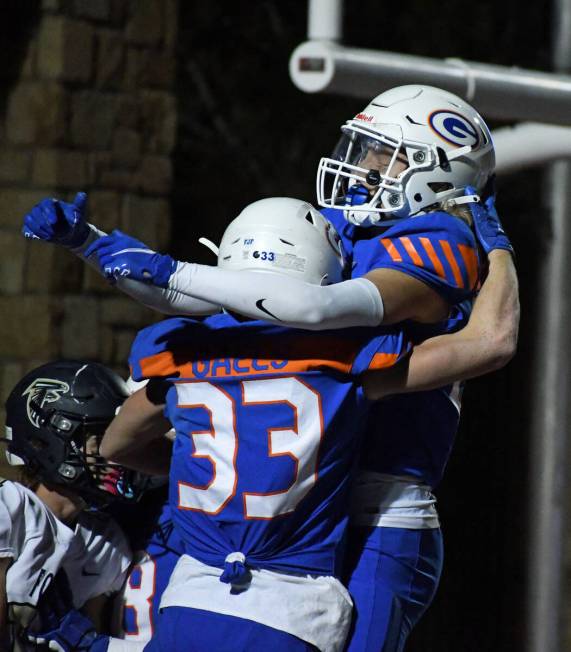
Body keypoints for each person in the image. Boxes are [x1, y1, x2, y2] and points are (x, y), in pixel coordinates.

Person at [21, 84, 519, 650]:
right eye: (364, 148)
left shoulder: (438, 238)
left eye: (387, 155)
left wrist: (163, 267)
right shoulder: (339, 225)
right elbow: (233, 298)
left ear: (441, 174)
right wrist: (94, 245)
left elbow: (312, 308)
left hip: (379, 503)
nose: (363, 166)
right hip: (293, 499)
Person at [0, 360, 138, 652]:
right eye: (102, 439)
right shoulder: (9, 507)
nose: (117, 454)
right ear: (52, 438)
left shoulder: (107, 545)